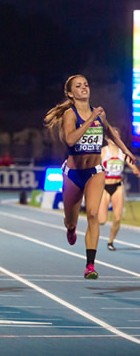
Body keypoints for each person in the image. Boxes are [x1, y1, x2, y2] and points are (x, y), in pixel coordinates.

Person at [44, 75, 136, 279]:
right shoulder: (70, 114)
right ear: (70, 93)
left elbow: (111, 133)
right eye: (78, 86)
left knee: (93, 214)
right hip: (73, 173)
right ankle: (71, 228)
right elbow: (70, 139)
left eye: (86, 84)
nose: (84, 88)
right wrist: (90, 119)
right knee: (70, 219)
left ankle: (90, 265)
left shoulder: (99, 114)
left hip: (95, 171)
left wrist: (126, 151)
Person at [98, 127, 140, 251]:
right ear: (107, 138)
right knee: (101, 221)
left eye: (116, 135)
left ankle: (110, 241)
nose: (114, 138)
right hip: (104, 187)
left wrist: (136, 170)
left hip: (117, 186)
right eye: (111, 135)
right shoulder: (103, 152)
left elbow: (133, 167)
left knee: (117, 218)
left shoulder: (123, 153)